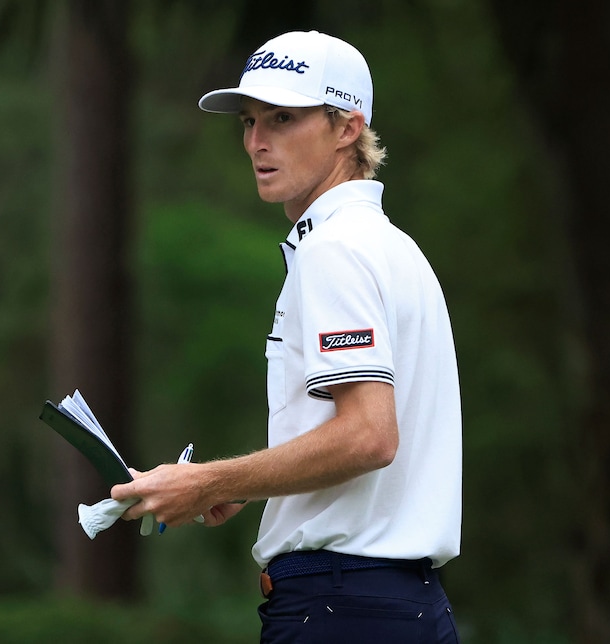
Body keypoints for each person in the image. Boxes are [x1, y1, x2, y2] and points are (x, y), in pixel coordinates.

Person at [112, 30, 462, 642]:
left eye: (282, 118)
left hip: (340, 606)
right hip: (399, 606)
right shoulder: (390, 245)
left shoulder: (335, 250)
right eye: (249, 121)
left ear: (347, 127)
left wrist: (209, 481)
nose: (256, 142)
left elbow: (369, 437)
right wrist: (252, 486)